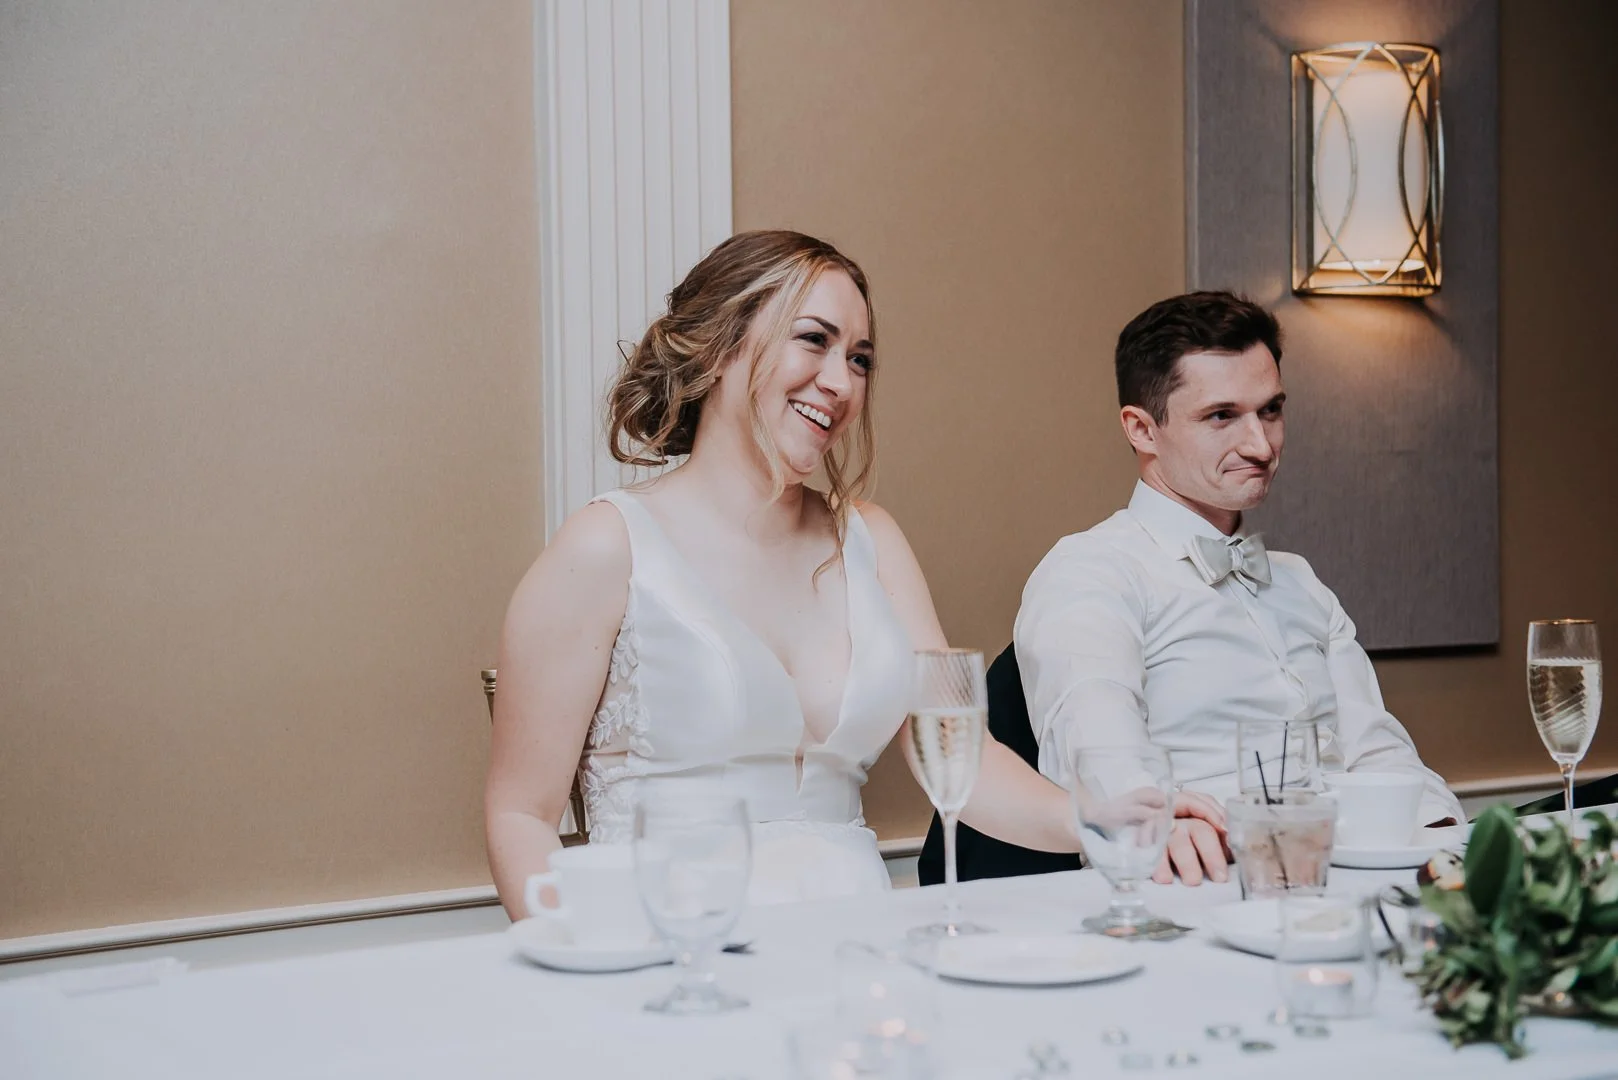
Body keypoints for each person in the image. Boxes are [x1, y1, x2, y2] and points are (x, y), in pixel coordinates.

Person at [486, 231, 1220, 918]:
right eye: (815, 340)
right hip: (676, 956)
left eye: (861, 358)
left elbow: (966, 762)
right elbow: (520, 816)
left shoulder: (873, 539)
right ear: (718, 350)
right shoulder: (605, 547)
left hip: (861, 947)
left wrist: (1101, 817)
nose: (840, 382)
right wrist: (584, 974)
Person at [1014, 290, 1465, 886]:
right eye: (1222, 416)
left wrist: (1442, 846)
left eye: (1271, 410)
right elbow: (1099, 750)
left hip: (1364, 878)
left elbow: (1377, 752)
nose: (1261, 446)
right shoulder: (1091, 571)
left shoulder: (1300, 580)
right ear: (1142, 429)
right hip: (1196, 884)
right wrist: (1152, 822)